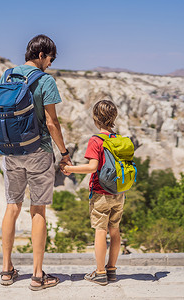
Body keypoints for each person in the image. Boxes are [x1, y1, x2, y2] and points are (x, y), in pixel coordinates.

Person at [0, 34, 71, 291]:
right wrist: (64, 152)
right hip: (38, 151)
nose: (50, 63)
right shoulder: (45, 81)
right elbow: (52, 123)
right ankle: (38, 275)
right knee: (37, 210)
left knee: (12, 207)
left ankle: (7, 270)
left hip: (10, 151)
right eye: (50, 58)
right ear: (41, 55)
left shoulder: (6, 76)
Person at [60, 100, 123, 286]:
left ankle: (100, 272)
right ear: (114, 118)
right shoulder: (118, 139)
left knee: (100, 231)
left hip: (100, 193)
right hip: (119, 192)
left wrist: (70, 170)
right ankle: (111, 270)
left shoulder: (96, 140)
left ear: (95, 119)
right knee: (115, 230)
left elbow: (92, 167)